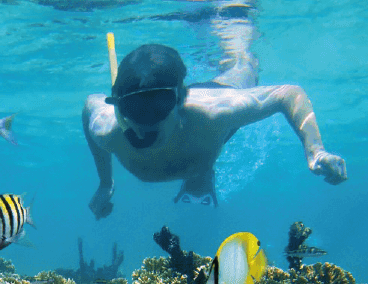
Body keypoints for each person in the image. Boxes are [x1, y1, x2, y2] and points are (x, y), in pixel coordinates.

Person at [82, 5, 347, 218]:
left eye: (159, 106)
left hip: (218, 92)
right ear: (118, 106)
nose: (147, 120)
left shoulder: (217, 113)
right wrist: (105, 183)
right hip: (192, 131)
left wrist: (315, 150)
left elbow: (287, 93)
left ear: (180, 99)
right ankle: (201, 176)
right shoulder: (108, 130)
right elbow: (90, 105)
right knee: (199, 161)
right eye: (133, 108)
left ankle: (232, 22)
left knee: (242, 64)